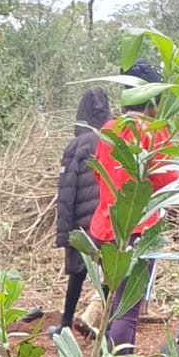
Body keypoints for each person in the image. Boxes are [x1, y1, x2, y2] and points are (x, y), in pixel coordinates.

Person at [88, 60, 178, 357]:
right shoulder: (155, 132)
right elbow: (167, 179)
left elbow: (100, 177)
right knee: (128, 308)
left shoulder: (109, 130)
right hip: (139, 229)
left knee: (110, 300)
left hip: (105, 227)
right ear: (154, 99)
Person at [49, 85, 111, 337]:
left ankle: (65, 323)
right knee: (110, 274)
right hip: (107, 218)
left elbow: (66, 192)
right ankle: (105, 327)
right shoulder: (113, 138)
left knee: (78, 272)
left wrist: (65, 231)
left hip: (81, 221)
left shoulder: (76, 145)